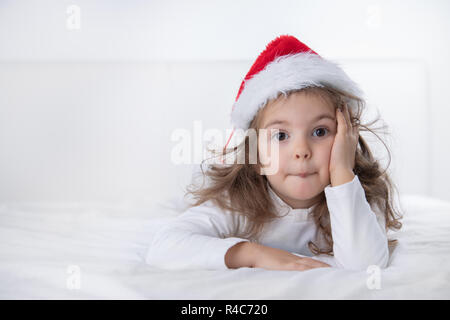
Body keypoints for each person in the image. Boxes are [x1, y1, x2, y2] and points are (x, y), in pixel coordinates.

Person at [145, 34, 403, 271]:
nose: (301, 151)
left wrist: (342, 172)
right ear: (256, 156)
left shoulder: (359, 194)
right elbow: (164, 247)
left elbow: (366, 266)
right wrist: (254, 254)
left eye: (320, 132)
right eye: (281, 136)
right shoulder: (237, 202)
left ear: (347, 139)